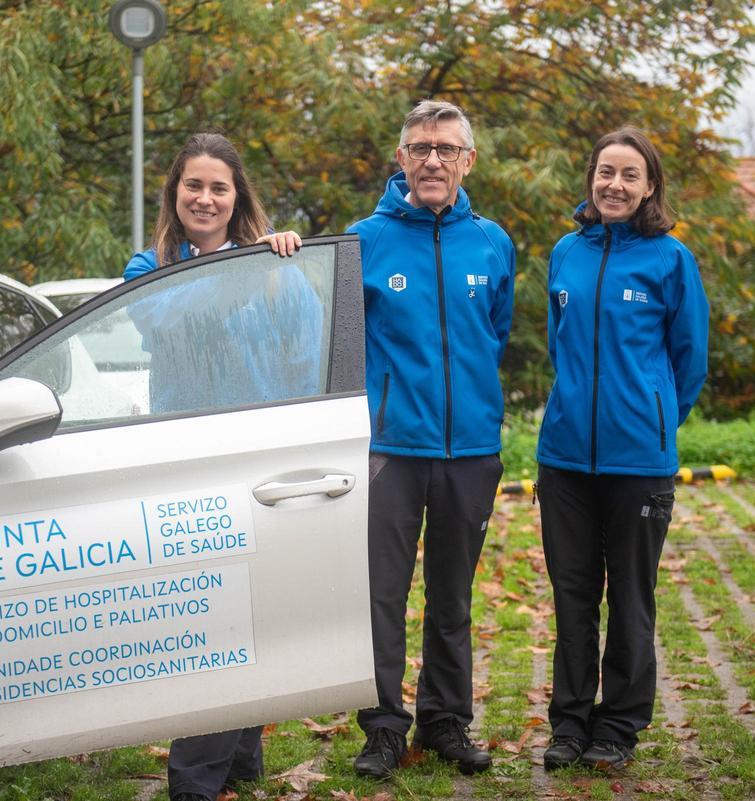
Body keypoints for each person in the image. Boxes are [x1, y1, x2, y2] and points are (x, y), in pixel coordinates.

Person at [121, 132, 314, 801]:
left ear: (237, 198)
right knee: (205, 619)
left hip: (263, 459)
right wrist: (246, 268)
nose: (205, 198)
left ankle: (239, 758)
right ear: (175, 194)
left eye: (219, 187)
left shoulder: (274, 265)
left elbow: (306, 352)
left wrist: (277, 268)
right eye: (193, 186)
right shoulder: (145, 267)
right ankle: (195, 779)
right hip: (187, 463)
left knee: (255, 610)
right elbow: (166, 324)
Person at [346, 100, 515, 778]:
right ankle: (385, 727)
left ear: (468, 160)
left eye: (446, 148)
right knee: (381, 596)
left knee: (453, 598)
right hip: (390, 450)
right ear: (402, 159)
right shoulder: (365, 240)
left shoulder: (493, 242)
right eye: (420, 147)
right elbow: (344, 343)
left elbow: (493, 334)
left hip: (470, 449)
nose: (433, 159)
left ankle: (446, 722)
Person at [535, 127, 709, 772]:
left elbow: (690, 358)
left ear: (650, 186)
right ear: (591, 179)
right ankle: (570, 724)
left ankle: (619, 727)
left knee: (631, 596)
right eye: (605, 172)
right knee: (572, 596)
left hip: (640, 463)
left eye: (629, 175)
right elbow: (561, 346)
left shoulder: (670, 259)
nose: (615, 185)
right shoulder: (565, 253)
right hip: (565, 460)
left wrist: (656, 418)